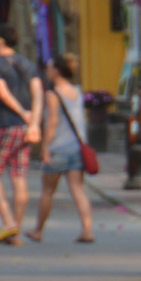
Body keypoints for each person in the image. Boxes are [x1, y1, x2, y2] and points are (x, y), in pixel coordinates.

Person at [0, 27, 43, 247]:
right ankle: (15, 231)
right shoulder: (27, 63)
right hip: (25, 129)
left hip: (4, 124)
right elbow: (37, 93)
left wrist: (21, 112)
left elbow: (2, 92)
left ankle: (8, 221)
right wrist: (33, 122)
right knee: (19, 175)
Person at [26, 54, 95, 244]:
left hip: (58, 148)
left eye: (49, 68)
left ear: (57, 70)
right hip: (76, 148)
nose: (47, 71)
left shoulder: (53, 93)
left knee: (47, 191)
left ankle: (38, 230)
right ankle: (87, 230)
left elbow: (52, 122)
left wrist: (45, 148)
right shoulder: (76, 91)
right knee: (78, 189)